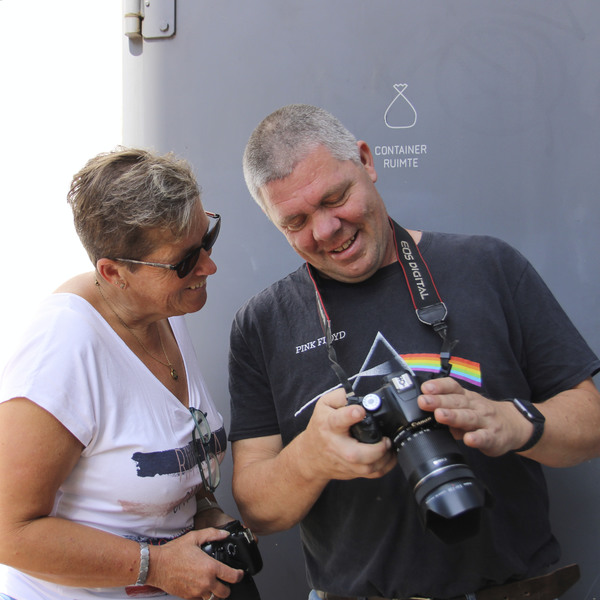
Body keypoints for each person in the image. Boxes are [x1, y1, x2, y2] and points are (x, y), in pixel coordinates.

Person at [227, 104, 600, 600]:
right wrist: (309, 460)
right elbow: (256, 508)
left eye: (335, 198)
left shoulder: (489, 266)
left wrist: (513, 423)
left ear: (366, 160)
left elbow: (591, 422)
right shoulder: (261, 323)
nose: (325, 230)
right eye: (294, 221)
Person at [0, 148, 245, 600]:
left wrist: (205, 510)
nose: (209, 266)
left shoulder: (163, 305)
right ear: (114, 273)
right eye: (186, 260)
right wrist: (158, 566)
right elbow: (8, 532)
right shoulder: (62, 349)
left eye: (207, 238)